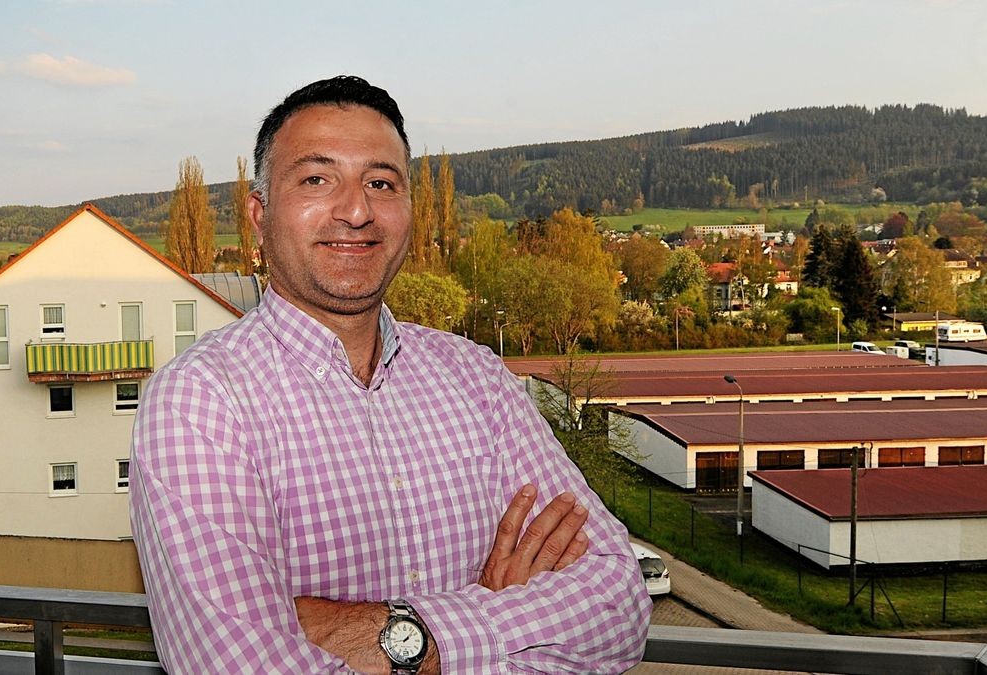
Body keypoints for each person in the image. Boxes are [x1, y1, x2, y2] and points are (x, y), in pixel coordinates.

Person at [129, 75, 650, 674]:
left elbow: (619, 601)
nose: (356, 211)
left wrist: (409, 638)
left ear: (409, 209)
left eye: (381, 182)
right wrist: (503, 613)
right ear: (259, 214)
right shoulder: (199, 402)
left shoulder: (477, 377)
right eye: (316, 179)